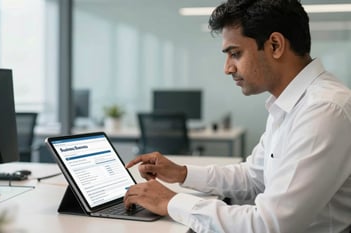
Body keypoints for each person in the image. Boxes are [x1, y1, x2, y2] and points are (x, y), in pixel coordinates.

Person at [124, 0, 351, 232]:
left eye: (235, 53)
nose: (227, 68)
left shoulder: (324, 109)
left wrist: (169, 201)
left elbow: (269, 224)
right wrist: (181, 173)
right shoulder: (288, 104)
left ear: (275, 45)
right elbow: (252, 177)